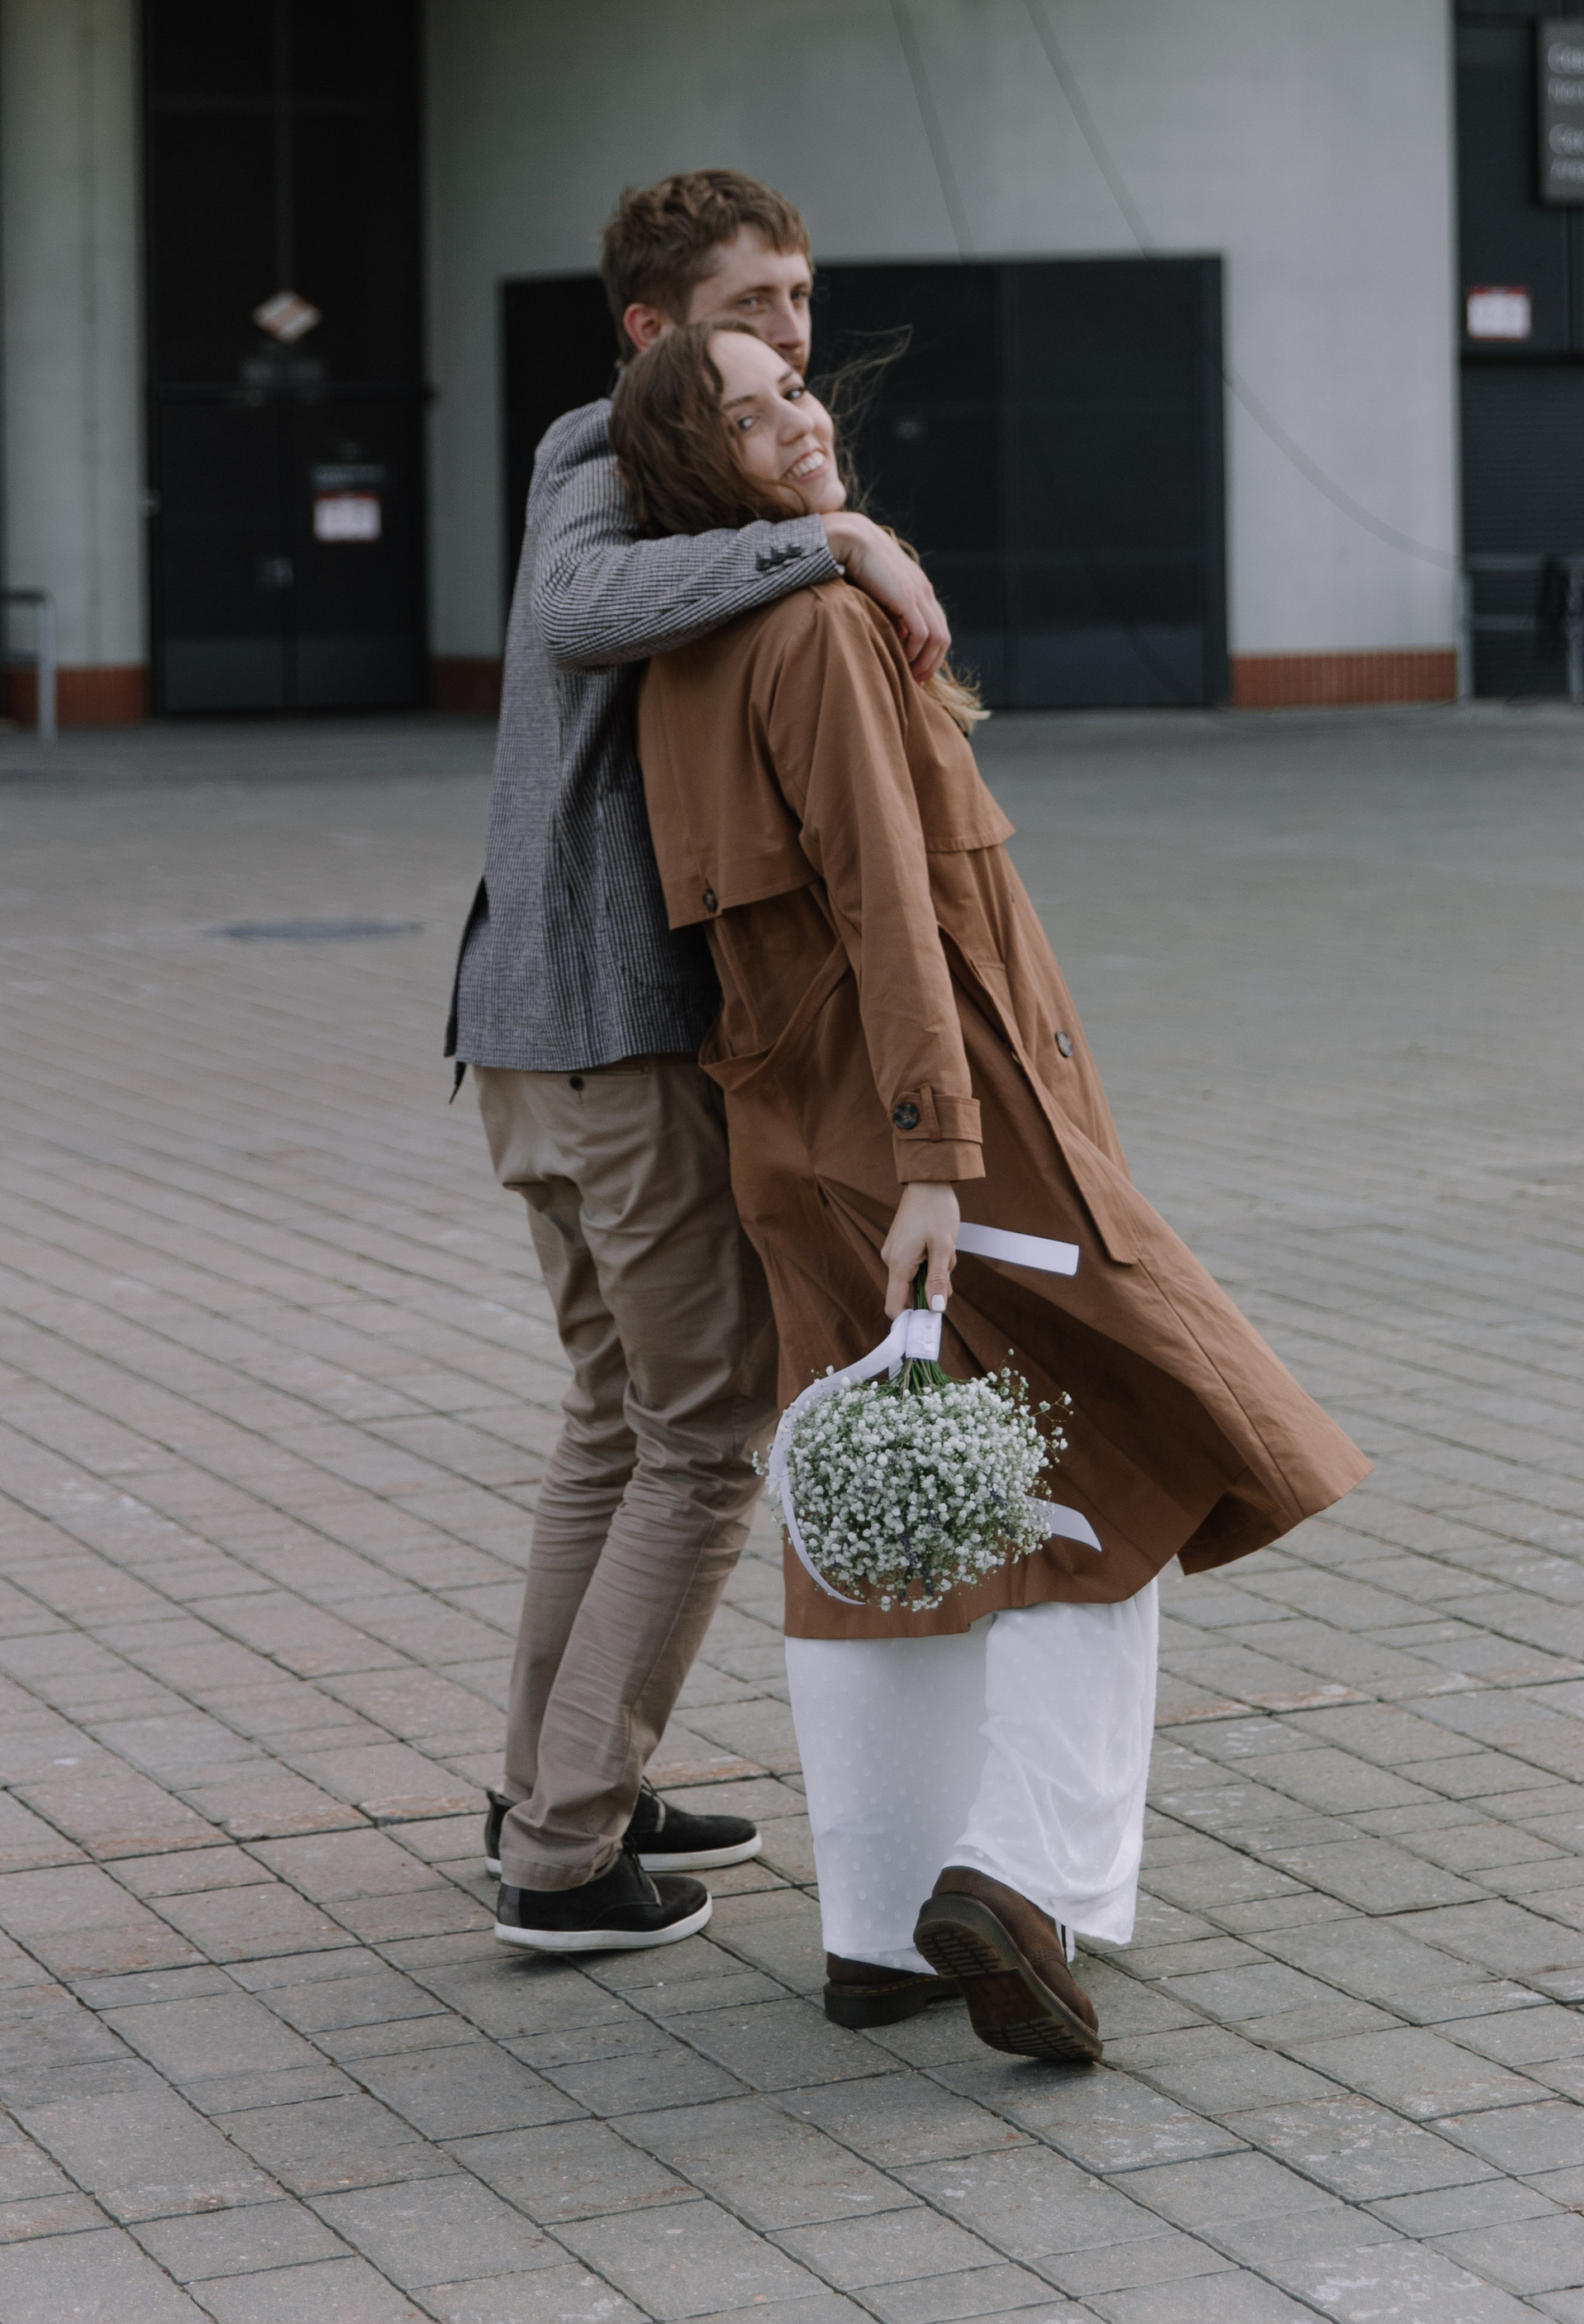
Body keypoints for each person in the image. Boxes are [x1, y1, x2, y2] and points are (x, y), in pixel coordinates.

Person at [606, 321, 1372, 2060]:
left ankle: (876, 1927)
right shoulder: (808, 623)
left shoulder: (683, 658)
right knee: (1126, 1458)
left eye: (793, 386)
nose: (797, 418)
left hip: (795, 1130)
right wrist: (943, 1155)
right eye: (747, 412)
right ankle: (1019, 1876)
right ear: (686, 465)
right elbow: (886, 899)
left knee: (880, 1506)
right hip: (944, 1127)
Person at [448, 168, 954, 1956]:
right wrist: (839, 538)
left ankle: (557, 1774)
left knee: (615, 1420)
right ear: (658, 333)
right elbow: (585, 599)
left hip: (529, 1034)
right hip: (603, 1034)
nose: (797, 339)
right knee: (704, 1438)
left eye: (805, 299)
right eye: (757, 307)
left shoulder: (644, 463)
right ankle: (567, 1855)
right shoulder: (601, 445)